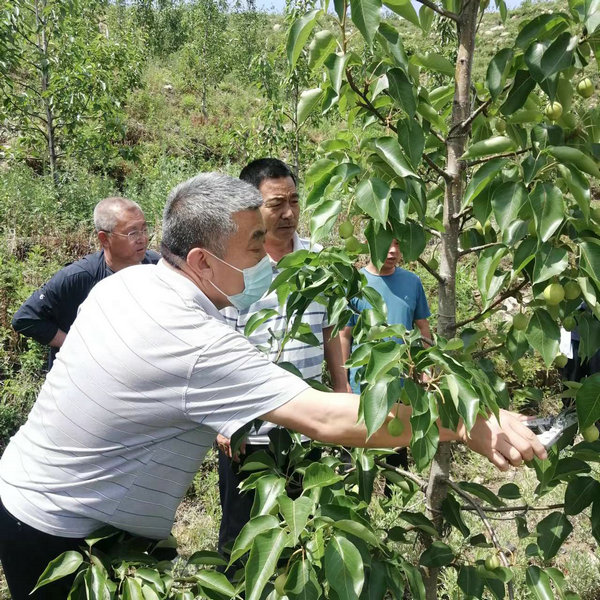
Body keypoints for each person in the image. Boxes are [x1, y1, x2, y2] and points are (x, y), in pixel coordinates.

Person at [0, 173, 546, 600]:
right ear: (201, 261)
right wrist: (465, 422)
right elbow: (329, 419)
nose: (267, 258)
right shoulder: (192, 340)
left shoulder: (130, 284)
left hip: (35, 499)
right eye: (255, 247)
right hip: (62, 536)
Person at [217, 158, 350, 562]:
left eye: (294, 200)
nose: (289, 213)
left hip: (310, 426)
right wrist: (224, 419)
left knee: (309, 535)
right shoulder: (233, 269)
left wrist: (343, 390)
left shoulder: (318, 260)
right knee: (243, 539)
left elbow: (333, 328)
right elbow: (219, 344)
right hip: (249, 431)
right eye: (277, 204)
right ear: (250, 208)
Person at [11, 196, 160, 369]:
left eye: (144, 229)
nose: (142, 238)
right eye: (132, 233)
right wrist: (76, 346)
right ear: (104, 239)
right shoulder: (78, 277)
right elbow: (25, 319)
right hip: (82, 376)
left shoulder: (157, 267)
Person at [339, 239, 432, 486]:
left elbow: (423, 328)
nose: (393, 251)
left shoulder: (412, 282)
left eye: (399, 245)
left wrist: (425, 371)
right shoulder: (355, 282)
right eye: (387, 244)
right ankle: (350, 505)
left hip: (402, 383)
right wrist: (344, 380)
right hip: (362, 382)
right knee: (353, 453)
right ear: (370, 244)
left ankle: (395, 505)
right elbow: (344, 335)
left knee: (397, 452)